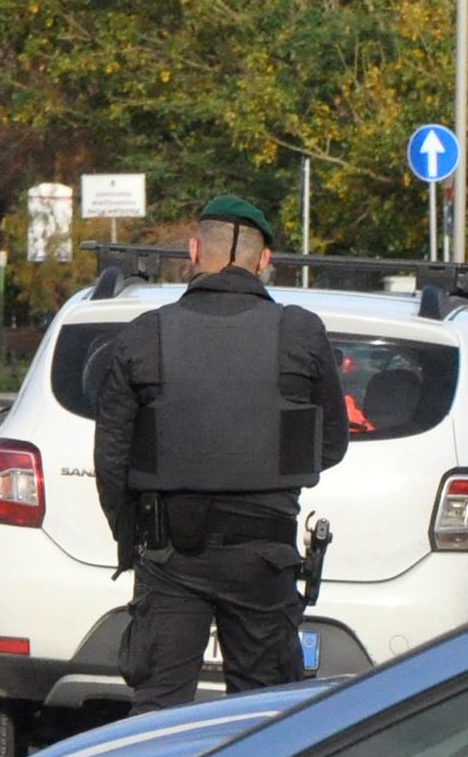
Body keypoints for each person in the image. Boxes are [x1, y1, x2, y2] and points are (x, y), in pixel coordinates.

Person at [90, 195, 349, 714]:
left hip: (169, 555)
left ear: (192, 251)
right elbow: (330, 443)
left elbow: (112, 461)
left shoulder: (146, 334)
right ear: (264, 260)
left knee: (158, 710)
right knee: (261, 714)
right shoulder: (299, 334)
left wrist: (132, 540)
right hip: (263, 553)